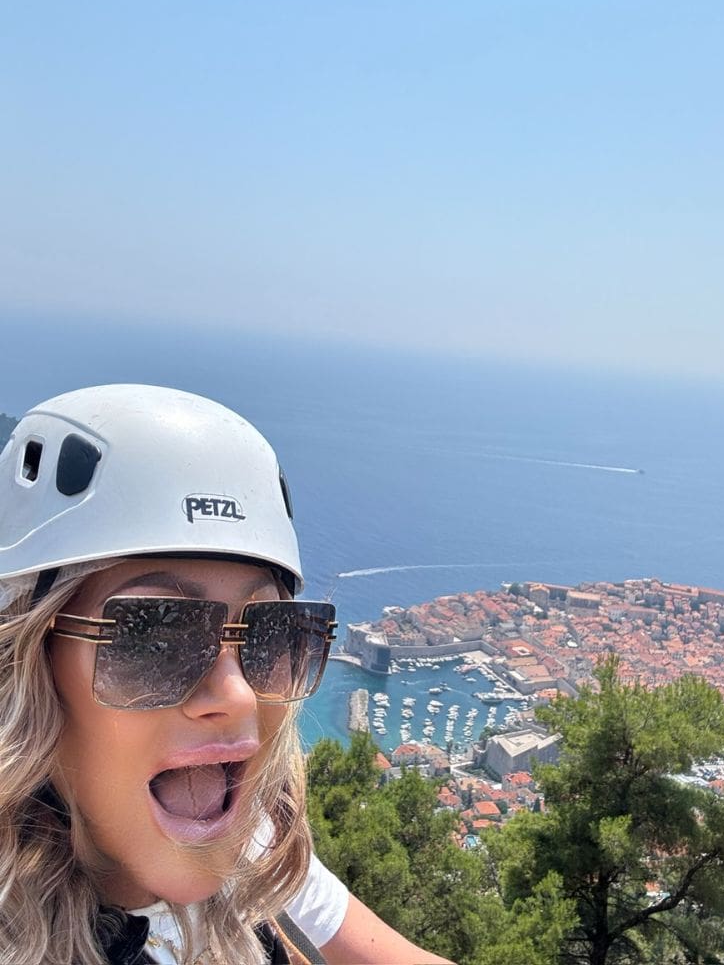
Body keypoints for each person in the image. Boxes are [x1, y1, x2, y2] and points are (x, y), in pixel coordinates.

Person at [0, 385, 453, 965]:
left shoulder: (256, 845)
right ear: (29, 662)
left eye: (272, 634)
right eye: (155, 635)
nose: (239, 696)